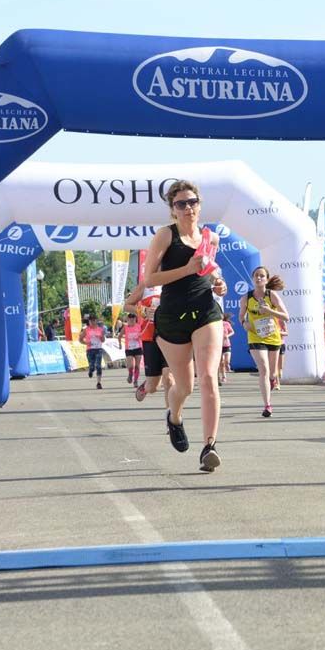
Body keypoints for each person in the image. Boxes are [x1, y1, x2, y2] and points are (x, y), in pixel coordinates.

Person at [142, 180, 227, 472]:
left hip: (206, 311)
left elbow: (210, 270)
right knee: (185, 387)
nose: (188, 208)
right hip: (172, 317)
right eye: (181, 204)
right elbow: (149, 280)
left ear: (200, 206)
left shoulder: (211, 238)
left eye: (192, 202)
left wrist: (219, 283)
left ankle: (209, 447)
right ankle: (174, 417)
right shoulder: (165, 236)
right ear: (172, 210)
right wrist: (186, 269)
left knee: (207, 378)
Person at [242, 266, 288, 418]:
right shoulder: (246, 298)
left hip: (273, 337)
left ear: (266, 280)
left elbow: (285, 316)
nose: (259, 278)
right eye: (256, 275)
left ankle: (273, 380)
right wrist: (244, 324)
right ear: (252, 279)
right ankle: (267, 405)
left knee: (272, 373)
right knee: (263, 369)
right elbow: (241, 316)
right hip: (255, 336)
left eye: (262, 276)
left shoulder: (272, 295)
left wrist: (270, 311)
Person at [79, 314, 106, 389]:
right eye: (91, 321)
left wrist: (101, 336)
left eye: (94, 320)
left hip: (98, 349)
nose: (92, 322)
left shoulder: (100, 329)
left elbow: (103, 340)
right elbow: (80, 339)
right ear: (89, 321)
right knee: (92, 366)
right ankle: (90, 370)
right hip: (90, 350)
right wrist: (86, 343)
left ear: (96, 321)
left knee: (98, 366)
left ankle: (98, 383)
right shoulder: (86, 329)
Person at [122, 312, 144, 385]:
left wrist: (140, 336)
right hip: (129, 349)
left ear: (135, 319)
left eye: (133, 319)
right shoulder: (125, 327)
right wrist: (119, 343)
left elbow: (144, 334)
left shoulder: (139, 326)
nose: (132, 320)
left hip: (138, 348)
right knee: (131, 365)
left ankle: (135, 381)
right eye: (130, 319)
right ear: (128, 319)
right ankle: (130, 374)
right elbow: (119, 336)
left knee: (137, 366)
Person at [219, 313, 234, 386]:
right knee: (221, 362)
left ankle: (227, 365)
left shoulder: (226, 323)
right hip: (218, 345)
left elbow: (232, 332)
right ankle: (223, 377)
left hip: (226, 345)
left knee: (226, 361)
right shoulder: (214, 324)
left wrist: (227, 336)